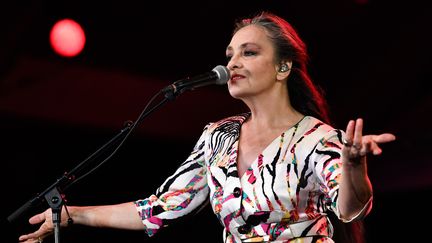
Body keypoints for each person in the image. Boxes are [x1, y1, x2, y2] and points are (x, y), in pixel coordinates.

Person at [18, 11, 395, 243]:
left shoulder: (318, 138)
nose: (233, 62)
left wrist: (353, 166)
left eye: (249, 52)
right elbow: (161, 208)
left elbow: (350, 210)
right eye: (230, 54)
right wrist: (74, 214)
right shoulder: (219, 136)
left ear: (283, 68)